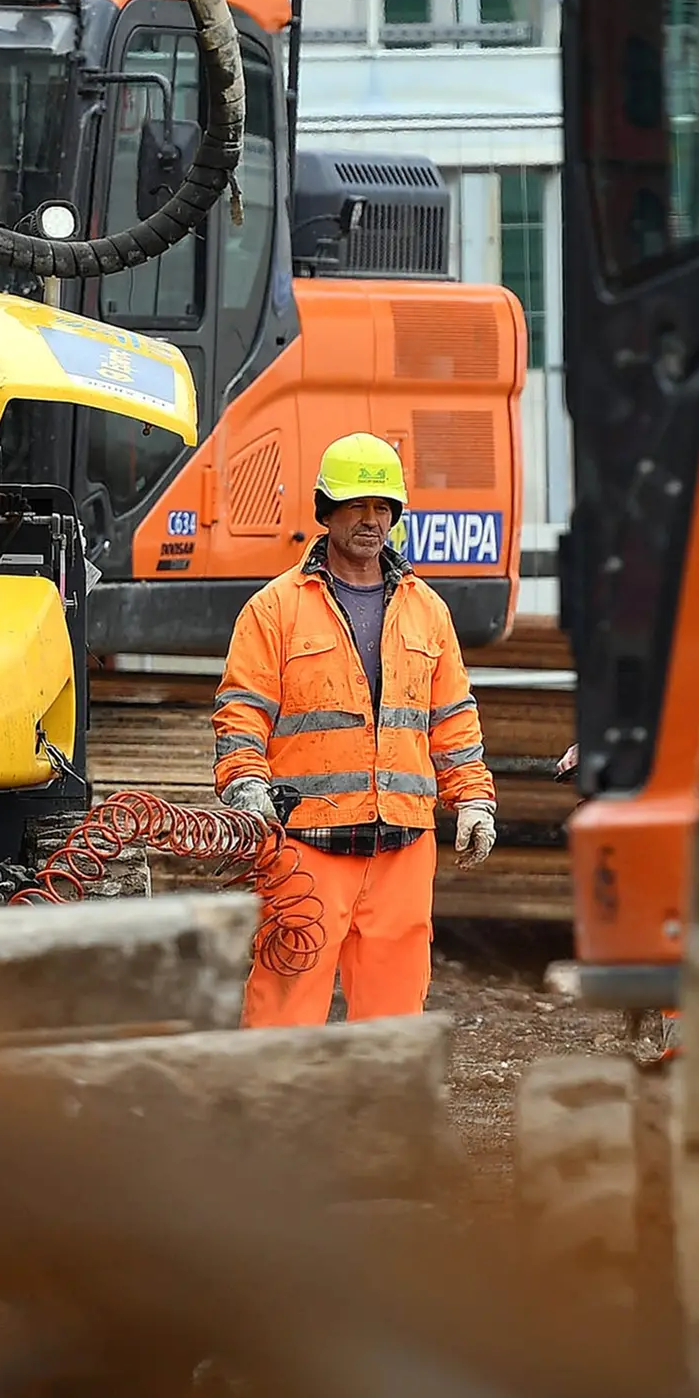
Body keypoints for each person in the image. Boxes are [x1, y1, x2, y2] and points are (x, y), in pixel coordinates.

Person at [209, 433, 494, 1026]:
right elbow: (242, 713)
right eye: (357, 505)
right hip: (306, 844)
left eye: (383, 507)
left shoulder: (428, 611)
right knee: (283, 1010)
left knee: (394, 1020)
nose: (372, 520)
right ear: (327, 511)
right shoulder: (275, 608)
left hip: (403, 848)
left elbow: (452, 720)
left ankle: (384, 1119)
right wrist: (245, 785)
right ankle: (278, 1117)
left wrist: (472, 801)